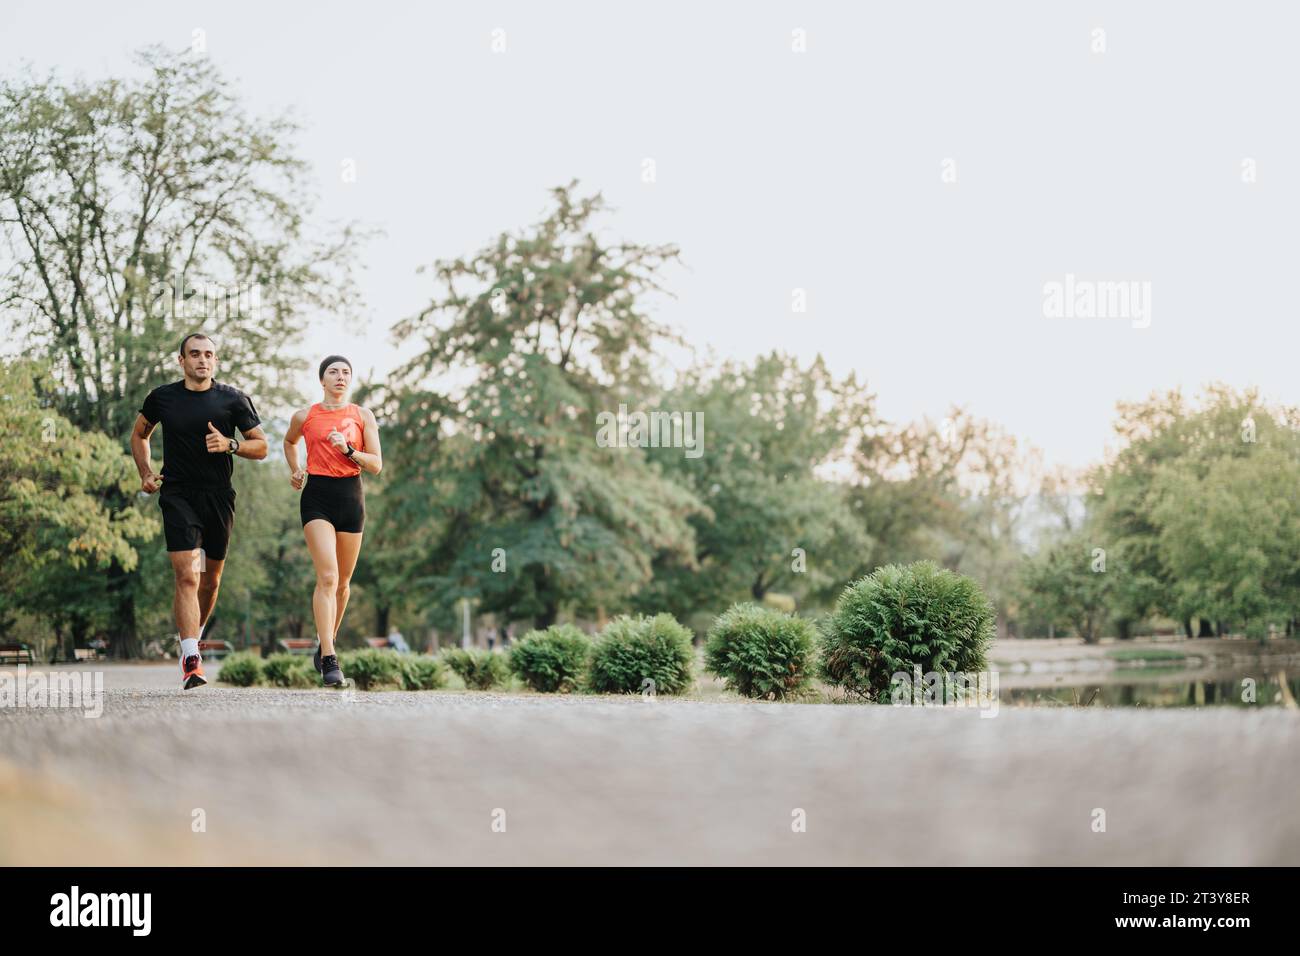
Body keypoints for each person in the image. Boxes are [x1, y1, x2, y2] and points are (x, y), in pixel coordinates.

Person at [131, 332, 269, 689]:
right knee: (189, 576)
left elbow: (262, 446)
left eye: (208, 354)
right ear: (182, 360)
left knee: (211, 580)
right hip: (178, 494)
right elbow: (140, 434)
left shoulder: (233, 399)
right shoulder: (162, 398)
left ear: (216, 360)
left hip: (218, 497)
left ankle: (194, 634)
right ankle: (191, 657)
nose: (202, 360)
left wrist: (230, 444)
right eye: (194, 354)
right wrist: (146, 472)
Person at [283, 355, 383, 687]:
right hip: (317, 497)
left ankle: (327, 640)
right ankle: (329, 658)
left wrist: (350, 450)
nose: (340, 377)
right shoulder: (305, 416)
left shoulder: (362, 415)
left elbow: (377, 464)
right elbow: (288, 441)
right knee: (327, 577)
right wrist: (295, 469)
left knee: (342, 585)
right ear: (322, 380)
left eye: (345, 373)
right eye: (333, 372)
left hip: (350, 497)